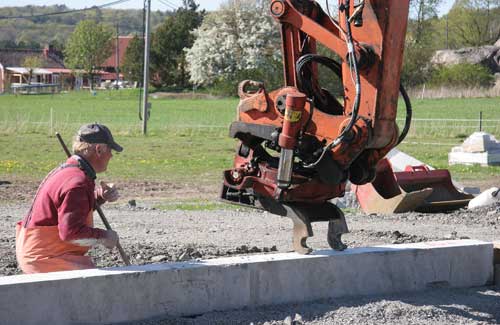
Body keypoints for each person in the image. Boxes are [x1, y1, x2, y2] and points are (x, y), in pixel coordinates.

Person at [16, 123, 123, 274]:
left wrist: (99, 197)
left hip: (40, 252)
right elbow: (71, 233)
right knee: (96, 289)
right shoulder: (76, 182)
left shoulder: (72, 173)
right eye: (110, 150)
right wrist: (104, 236)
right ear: (99, 149)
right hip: (45, 258)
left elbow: (73, 207)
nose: (111, 155)